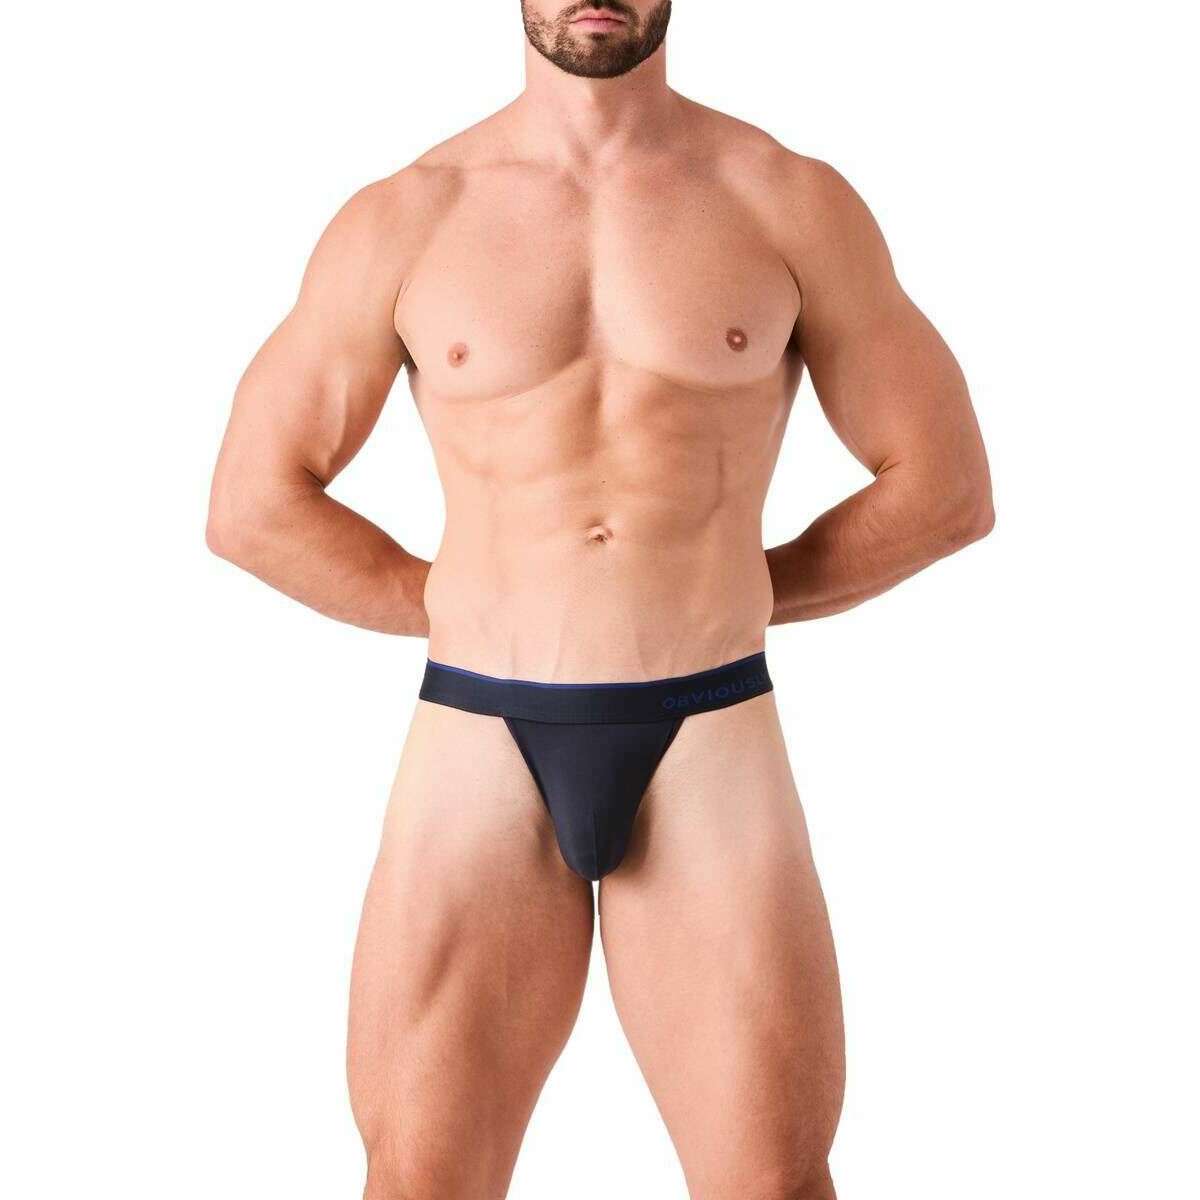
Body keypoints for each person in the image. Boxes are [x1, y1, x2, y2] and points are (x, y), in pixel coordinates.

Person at [206, 2, 994, 1196]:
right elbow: (253, 505)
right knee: (421, 1178)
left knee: (772, 1184)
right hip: (479, 732)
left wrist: (728, 592)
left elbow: (944, 488)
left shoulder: (787, 200)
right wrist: (453, 601)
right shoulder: (408, 215)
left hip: (710, 729)